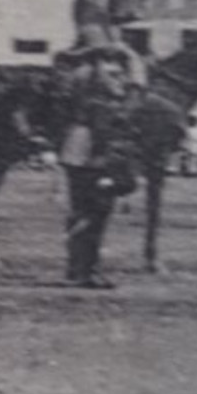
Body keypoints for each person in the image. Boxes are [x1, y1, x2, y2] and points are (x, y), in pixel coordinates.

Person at [57, 48, 139, 289]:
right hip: (93, 157)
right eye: (115, 75)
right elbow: (104, 137)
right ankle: (87, 271)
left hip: (77, 152)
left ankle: (77, 270)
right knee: (96, 213)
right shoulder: (100, 102)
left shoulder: (84, 92)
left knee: (82, 212)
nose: (120, 81)